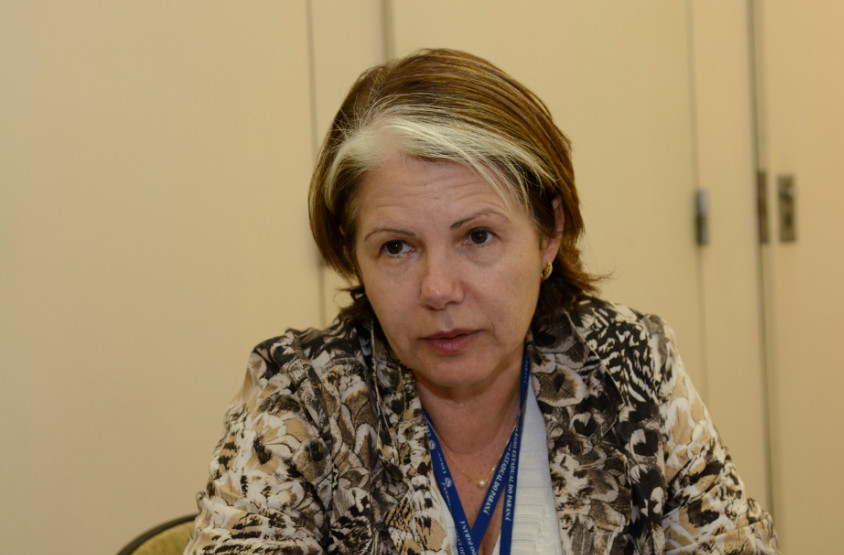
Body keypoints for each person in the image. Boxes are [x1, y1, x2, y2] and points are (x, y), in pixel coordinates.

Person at [185, 48, 780, 555]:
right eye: (396, 247)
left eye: (477, 237)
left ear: (550, 231)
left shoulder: (627, 367)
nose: (438, 289)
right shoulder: (303, 394)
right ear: (352, 254)